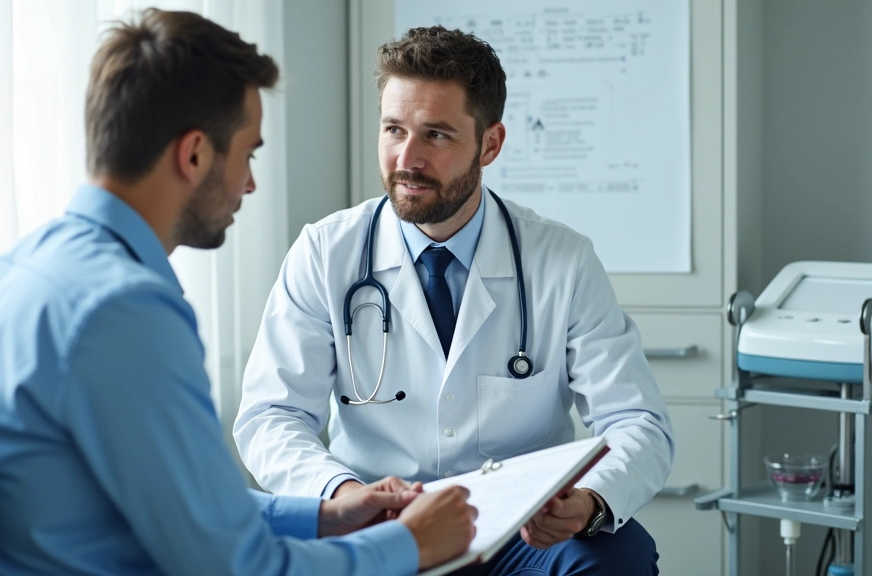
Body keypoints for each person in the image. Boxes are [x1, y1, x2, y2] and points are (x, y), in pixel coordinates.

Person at [0, 10, 476, 576]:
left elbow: (178, 502)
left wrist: (324, 515)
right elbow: (239, 567)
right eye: (248, 152)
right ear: (194, 154)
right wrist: (409, 545)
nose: (249, 182)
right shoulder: (124, 312)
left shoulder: (11, 273)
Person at [234, 25, 674, 575]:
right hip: (380, 519)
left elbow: (637, 422)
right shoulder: (326, 252)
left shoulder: (562, 260)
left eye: (436, 135)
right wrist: (342, 494)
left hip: (522, 530)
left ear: (490, 143)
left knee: (619, 554)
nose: (407, 158)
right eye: (394, 129)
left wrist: (590, 501)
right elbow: (271, 414)